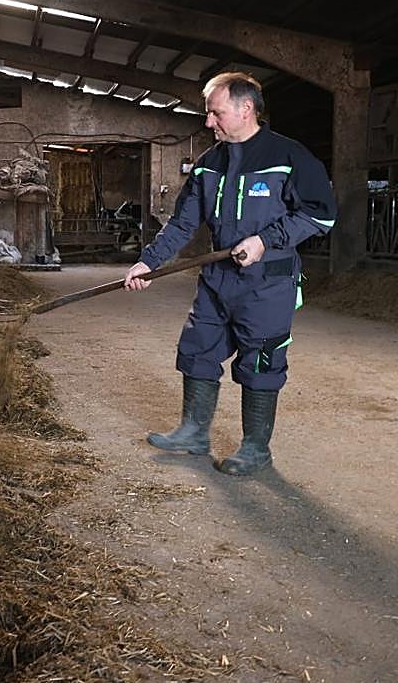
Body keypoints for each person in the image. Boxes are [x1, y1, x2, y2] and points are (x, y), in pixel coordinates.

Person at [124, 72, 337, 475]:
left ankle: (256, 449)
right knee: (197, 347)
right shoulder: (209, 165)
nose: (208, 122)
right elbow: (183, 224)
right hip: (217, 277)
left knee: (261, 360)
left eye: (215, 113)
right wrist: (148, 262)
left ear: (245, 109)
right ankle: (193, 433)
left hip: (268, 282)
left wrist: (265, 240)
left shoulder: (289, 158)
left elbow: (320, 215)